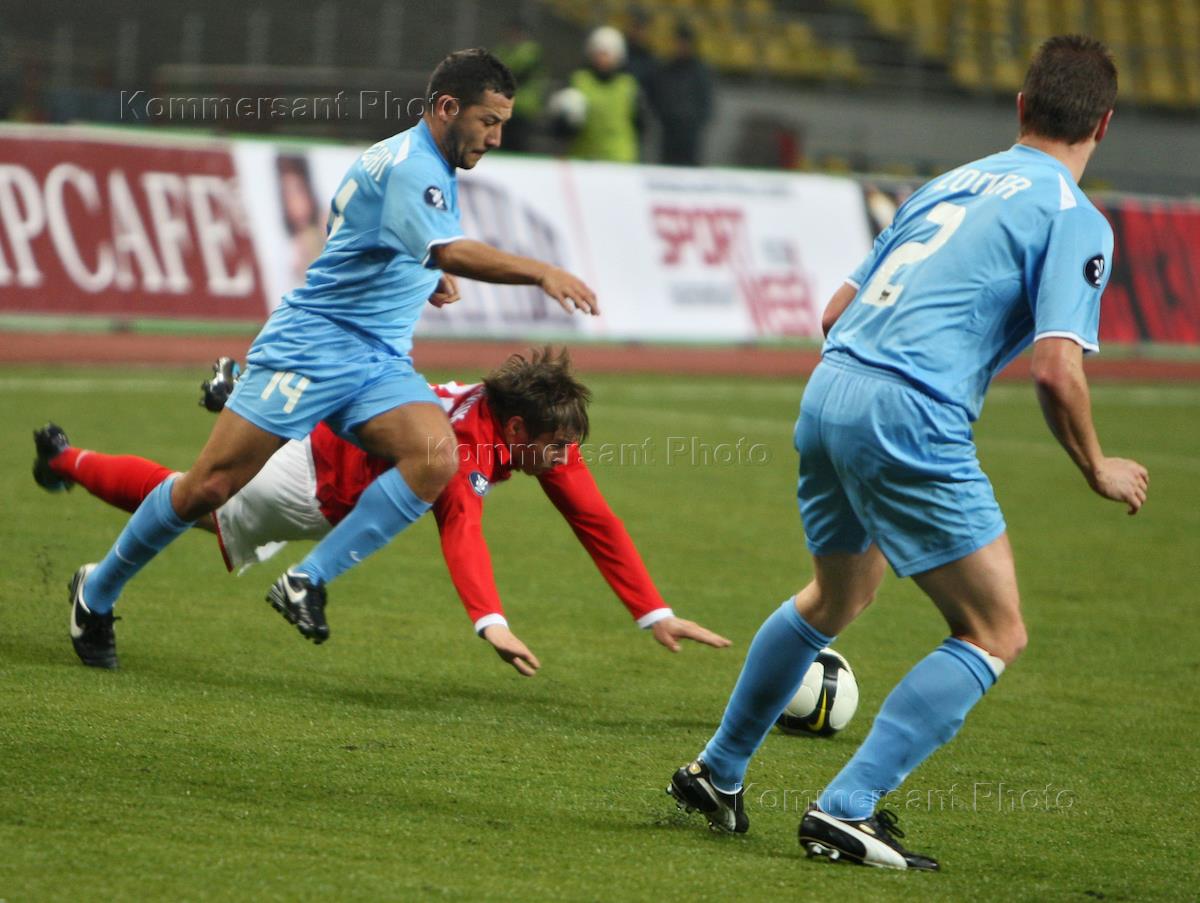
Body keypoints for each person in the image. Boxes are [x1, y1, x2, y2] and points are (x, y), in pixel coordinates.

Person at [665, 35, 1148, 870]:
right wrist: (1097, 466)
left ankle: (718, 769)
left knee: (836, 594)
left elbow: (833, 312)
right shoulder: (1074, 217)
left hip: (832, 388)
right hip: (908, 412)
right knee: (994, 629)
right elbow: (1056, 368)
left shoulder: (945, 184)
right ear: (1104, 124)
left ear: (1022, 106)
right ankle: (845, 808)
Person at [65, 48, 599, 671]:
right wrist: (539, 271)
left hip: (378, 362)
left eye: (502, 123)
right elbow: (448, 248)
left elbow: (367, 234)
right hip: (314, 346)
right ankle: (96, 591)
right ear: (448, 107)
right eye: (488, 121)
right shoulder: (414, 165)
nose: (496, 137)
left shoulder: (415, 159)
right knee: (208, 488)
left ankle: (306, 581)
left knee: (435, 455)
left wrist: (418, 273)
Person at [38, 350, 727, 674]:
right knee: (192, 502)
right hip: (309, 483)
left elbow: (595, 519)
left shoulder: (525, 431)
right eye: (556, 447)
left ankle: (76, 456)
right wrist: (490, 621)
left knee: (186, 496)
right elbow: (462, 527)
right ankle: (85, 487)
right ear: (519, 430)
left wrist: (653, 611)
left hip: (332, 446)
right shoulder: (463, 445)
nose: (563, 459)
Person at [565, 27, 641, 163]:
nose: (602, 59)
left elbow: (641, 124)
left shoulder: (628, 86)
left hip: (619, 159)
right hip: (584, 158)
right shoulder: (579, 81)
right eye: (599, 54)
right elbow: (562, 128)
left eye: (607, 54)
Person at [648, 22, 713, 167]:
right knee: (667, 167)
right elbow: (656, 95)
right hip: (668, 130)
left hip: (690, 132)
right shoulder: (665, 70)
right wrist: (664, 115)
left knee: (689, 168)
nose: (681, 47)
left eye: (684, 43)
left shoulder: (700, 72)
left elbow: (706, 100)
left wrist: (695, 121)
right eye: (678, 43)